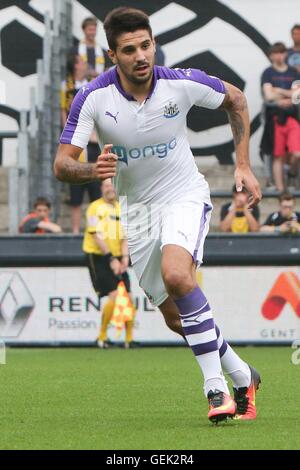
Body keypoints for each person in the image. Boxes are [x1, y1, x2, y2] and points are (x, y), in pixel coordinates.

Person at [54, 7, 262, 424]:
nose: (141, 56)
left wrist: (242, 164)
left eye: (146, 45)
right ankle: (242, 374)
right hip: (139, 212)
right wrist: (92, 170)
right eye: (129, 49)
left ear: (154, 44)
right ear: (113, 55)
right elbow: (62, 164)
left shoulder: (181, 83)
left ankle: (215, 388)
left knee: (178, 275)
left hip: (183, 194)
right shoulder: (92, 96)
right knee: (174, 316)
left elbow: (236, 99)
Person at [83, 179, 135, 349]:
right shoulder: (94, 208)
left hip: (118, 255)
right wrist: (111, 259)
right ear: (101, 189)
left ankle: (129, 339)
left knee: (128, 297)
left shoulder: (121, 208)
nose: (110, 188)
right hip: (98, 256)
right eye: (106, 185)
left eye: (112, 184)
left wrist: (124, 257)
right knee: (114, 295)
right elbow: (96, 236)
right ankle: (102, 337)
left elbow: (124, 236)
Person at [61, 53, 101, 233]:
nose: (85, 64)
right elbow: (64, 110)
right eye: (81, 61)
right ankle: (76, 231)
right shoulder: (67, 86)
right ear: (75, 65)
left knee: (95, 191)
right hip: (77, 143)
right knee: (76, 193)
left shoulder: (93, 83)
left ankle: (96, 230)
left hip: (92, 143)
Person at [261, 42, 300, 192]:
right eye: (275, 53)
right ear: (271, 56)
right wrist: (288, 94)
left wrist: (277, 90)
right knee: (278, 156)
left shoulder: (293, 73)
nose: (278, 56)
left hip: (292, 118)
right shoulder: (268, 73)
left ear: (285, 54)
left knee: (296, 153)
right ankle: (281, 190)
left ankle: (291, 174)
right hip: (275, 119)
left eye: (281, 52)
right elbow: (268, 96)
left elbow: (297, 96)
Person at [73, 17, 110, 81]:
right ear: (83, 30)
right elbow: (72, 71)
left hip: (99, 86)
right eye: (90, 30)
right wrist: (88, 72)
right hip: (80, 87)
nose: (92, 33)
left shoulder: (103, 52)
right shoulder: (75, 50)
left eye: (94, 30)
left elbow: (106, 71)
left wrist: (99, 75)